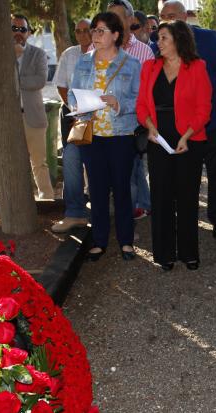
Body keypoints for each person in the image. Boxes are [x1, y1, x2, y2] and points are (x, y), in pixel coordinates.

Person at [136, 20, 212, 271]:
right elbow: (141, 105)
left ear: (178, 39)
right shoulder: (150, 66)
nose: (159, 42)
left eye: (164, 38)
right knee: (161, 196)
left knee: (187, 196)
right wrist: (149, 127)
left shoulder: (197, 67)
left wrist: (187, 135)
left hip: (188, 139)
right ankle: (164, 254)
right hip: (158, 138)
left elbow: (204, 109)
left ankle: (189, 253)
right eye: (159, 38)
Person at [69, 12, 141, 262]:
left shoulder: (131, 64)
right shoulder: (83, 62)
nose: (95, 36)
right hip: (92, 135)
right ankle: (99, 241)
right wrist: (79, 105)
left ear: (115, 35)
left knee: (122, 189)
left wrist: (118, 103)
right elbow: (71, 95)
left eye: (100, 31)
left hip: (121, 135)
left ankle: (126, 242)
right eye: (93, 30)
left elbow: (140, 101)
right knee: (97, 191)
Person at [158, 0, 216, 239]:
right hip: (177, 126)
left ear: (185, 17)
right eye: (163, 16)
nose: (167, 20)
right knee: (183, 177)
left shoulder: (208, 38)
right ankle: (185, 221)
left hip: (210, 121)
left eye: (172, 15)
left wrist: (208, 112)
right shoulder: (159, 43)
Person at [107, 0, 154, 218]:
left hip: (132, 125)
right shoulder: (95, 46)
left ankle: (128, 225)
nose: (113, 22)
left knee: (130, 177)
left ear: (129, 19)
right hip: (102, 126)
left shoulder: (144, 52)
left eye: (118, 16)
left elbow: (148, 93)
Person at [52, 19, 93, 233]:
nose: (83, 34)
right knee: (71, 158)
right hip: (75, 117)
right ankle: (75, 212)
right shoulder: (69, 54)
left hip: (101, 118)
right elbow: (61, 85)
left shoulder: (104, 53)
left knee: (97, 164)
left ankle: (99, 210)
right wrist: (76, 108)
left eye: (87, 30)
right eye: (78, 31)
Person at [12, 14, 56, 200]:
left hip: (34, 117)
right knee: (15, 164)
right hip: (10, 119)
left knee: (39, 163)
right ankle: (20, 201)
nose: (18, 33)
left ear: (29, 33)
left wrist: (13, 80)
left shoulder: (38, 54)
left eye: (22, 29)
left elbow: (39, 81)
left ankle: (46, 200)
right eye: (14, 28)